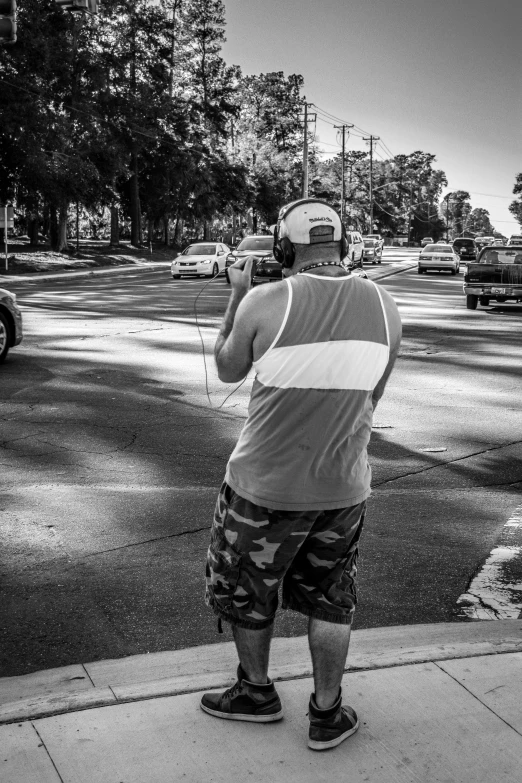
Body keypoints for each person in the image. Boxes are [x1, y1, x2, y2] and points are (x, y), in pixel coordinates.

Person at [201, 199, 402, 750]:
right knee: (332, 598)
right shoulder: (387, 307)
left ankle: (256, 692)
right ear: (341, 243)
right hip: (342, 487)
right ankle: (327, 713)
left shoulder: (266, 301)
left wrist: (238, 296)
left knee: (248, 592)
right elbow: (370, 400)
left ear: (284, 246)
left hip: (262, 489)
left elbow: (226, 367)